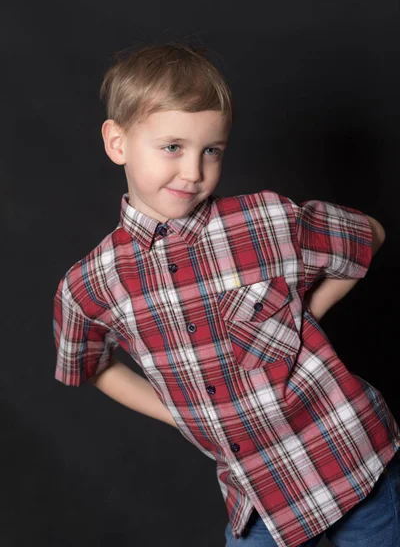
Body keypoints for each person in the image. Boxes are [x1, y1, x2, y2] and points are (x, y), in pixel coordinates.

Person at [52, 41, 400, 547]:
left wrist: (308, 314)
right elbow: (90, 366)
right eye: (173, 146)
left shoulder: (264, 221)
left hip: (352, 459)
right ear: (118, 142)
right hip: (256, 498)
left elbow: (369, 234)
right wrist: (177, 409)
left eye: (210, 150)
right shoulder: (91, 284)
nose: (194, 171)